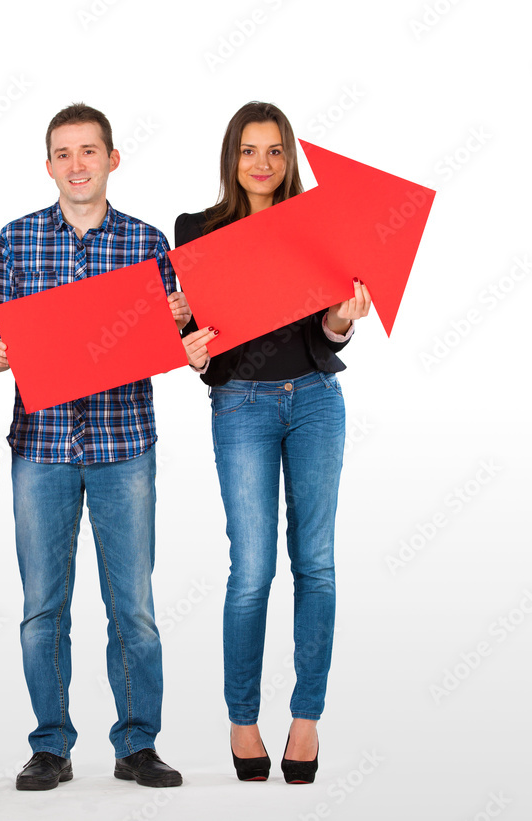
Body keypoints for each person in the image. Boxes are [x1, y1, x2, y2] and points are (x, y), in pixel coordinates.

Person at [0, 103, 191, 791]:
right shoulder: (15, 241)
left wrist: (180, 325)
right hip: (41, 445)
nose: (77, 164)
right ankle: (50, 745)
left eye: (89, 151)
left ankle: (137, 744)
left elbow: (170, 337)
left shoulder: (149, 243)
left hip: (123, 442)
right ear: (49, 166)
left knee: (132, 604)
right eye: (64, 153)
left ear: (112, 159)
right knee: (44, 605)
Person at [175, 101, 372, 784]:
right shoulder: (196, 229)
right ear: (232, 157)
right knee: (252, 568)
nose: (261, 163)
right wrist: (190, 350)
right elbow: (194, 336)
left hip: (315, 399)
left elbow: (327, 331)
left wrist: (343, 320)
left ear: (288, 158)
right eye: (249, 150)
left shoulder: (314, 223)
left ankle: (308, 717)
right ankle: (242, 717)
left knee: (315, 562)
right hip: (242, 405)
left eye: (274, 151)